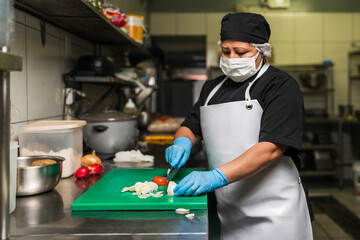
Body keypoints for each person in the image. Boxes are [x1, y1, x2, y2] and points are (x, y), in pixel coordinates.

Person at [165, 12, 313, 240]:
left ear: (261, 51)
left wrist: (214, 177)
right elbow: (191, 125)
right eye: (226, 51)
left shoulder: (280, 86)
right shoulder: (211, 89)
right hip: (229, 209)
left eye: (241, 52)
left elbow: (272, 147)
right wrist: (182, 141)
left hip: (275, 212)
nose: (232, 58)